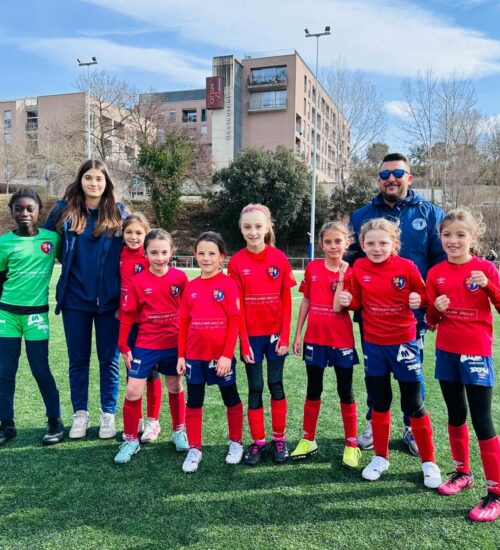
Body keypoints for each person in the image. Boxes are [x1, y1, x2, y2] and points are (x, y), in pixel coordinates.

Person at [349, 152, 445, 456]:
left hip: (412, 317)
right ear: (379, 180)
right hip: (372, 315)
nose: (391, 179)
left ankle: (410, 426)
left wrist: (428, 301)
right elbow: (351, 262)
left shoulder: (430, 213)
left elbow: (441, 262)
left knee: (412, 373)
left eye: (398, 173)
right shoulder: (360, 215)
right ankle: (373, 424)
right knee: (375, 374)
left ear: (409, 178)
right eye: (385, 174)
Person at [337, 218, 442, 489]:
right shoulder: (360, 267)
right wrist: (349, 301)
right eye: (371, 243)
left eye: (383, 243)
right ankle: (380, 458)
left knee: (413, 402)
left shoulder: (407, 267)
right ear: (362, 244)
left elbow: (424, 294)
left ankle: (429, 462)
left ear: (394, 244)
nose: (377, 248)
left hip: (404, 344)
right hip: (374, 345)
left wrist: (419, 299)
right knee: (380, 401)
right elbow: (358, 301)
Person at [44, 159, 128, 440]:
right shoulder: (62, 211)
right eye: (88, 178)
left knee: (109, 361)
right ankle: (80, 414)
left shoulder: (119, 212)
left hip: (109, 302)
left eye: (99, 179)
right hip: (75, 300)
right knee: (78, 360)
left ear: (107, 183)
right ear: (80, 180)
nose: (94, 183)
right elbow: (48, 246)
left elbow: (135, 247)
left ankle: (108, 414)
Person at [427, 208, 500, 522]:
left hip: (476, 354)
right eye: (447, 234)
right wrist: (436, 308)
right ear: (440, 237)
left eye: (460, 234)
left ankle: (496, 492)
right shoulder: (435, 273)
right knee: (456, 414)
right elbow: (430, 321)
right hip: (446, 353)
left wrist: (488, 286)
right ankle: (462, 473)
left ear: (473, 237)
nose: (453, 240)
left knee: (482, 421)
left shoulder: (485, 268)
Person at [228, 204, 297, 466]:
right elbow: (237, 307)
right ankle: (257, 441)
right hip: (251, 338)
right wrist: (244, 341)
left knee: (275, 384)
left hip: (275, 336)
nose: (253, 232)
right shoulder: (236, 262)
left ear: (267, 227)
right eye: (247, 227)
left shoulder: (279, 258)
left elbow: (286, 300)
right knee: (255, 387)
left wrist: (284, 336)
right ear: (241, 229)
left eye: (258, 226)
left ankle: (279, 439)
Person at [114, 229, 189, 464]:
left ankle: (179, 431)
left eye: (164, 252)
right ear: (145, 253)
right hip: (146, 344)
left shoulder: (180, 278)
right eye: (154, 252)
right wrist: (123, 344)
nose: (159, 257)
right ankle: (130, 440)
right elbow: (128, 315)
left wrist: (186, 347)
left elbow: (188, 314)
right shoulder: (138, 281)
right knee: (132, 390)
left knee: (175, 385)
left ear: (172, 251)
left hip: (173, 344)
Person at [290, 221, 360, 468]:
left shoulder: (351, 273)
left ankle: (351, 444)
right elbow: (306, 300)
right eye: (328, 241)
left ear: (347, 243)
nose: (333, 246)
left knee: (345, 391)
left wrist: (343, 284)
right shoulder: (312, 268)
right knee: (313, 389)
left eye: (338, 241)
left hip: (341, 340)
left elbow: (349, 306)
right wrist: (298, 334)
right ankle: (308, 439)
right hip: (315, 339)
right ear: (320, 244)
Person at [0, 188, 63, 446]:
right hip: (7, 316)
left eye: (30, 209)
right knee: (5, 371)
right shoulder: (4, 243)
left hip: (36, 316)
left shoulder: (52, 239)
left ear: (39, 212)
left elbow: (72, 261)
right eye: (19, 209)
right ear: (12, 212)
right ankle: (6, 424)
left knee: (40, 369)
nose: (24, 213)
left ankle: (54, 420)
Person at [177, 232, 243, 473]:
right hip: (194, 357)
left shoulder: (228, 284)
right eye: (201, 253)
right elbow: (184, 322)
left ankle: (236, 442)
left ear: (222, 257)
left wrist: (227, 355)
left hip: (220, 357)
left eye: (212, 253)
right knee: (195, 400)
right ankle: (194, 448)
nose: (206, 258)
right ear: (195, 255)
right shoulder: (191, 287)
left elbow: (234, 321)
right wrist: (181, 355)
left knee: (230, 397)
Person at [119, 213, 164, 443]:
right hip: (128, 322)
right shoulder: (119, 254)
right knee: (132, 371)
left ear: (146, 235)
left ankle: (153, 421)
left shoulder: (149, 257)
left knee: (151, 372)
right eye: (129, 232)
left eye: (139, 232)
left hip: (149, 324)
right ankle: (134, 419)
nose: (134, 237)